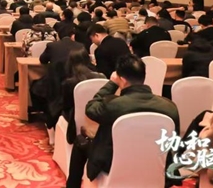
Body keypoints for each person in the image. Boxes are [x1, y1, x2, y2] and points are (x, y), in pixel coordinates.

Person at [66, 55, 179, 187]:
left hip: (114, 162)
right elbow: (175, 144)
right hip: (155, 163)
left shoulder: (114, 105)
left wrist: (112, 83)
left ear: (122, 80)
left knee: (80, 141)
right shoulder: (170, 107)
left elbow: (91, 108)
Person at [61, 47, 106, 146]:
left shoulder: (69, 82)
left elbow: (66, 106)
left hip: (75, 120)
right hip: (99, 117)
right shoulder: (102, 77)